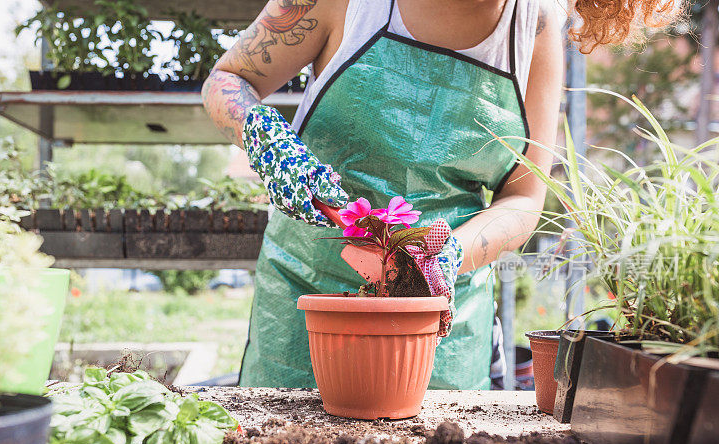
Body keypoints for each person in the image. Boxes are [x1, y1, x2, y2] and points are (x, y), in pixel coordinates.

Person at [202, 0, 681, 389]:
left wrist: (446, 257)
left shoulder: (532, 27)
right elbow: (228, 78)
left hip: (437, 321)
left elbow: (523, 198)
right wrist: (269, 142)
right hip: (306, 299)